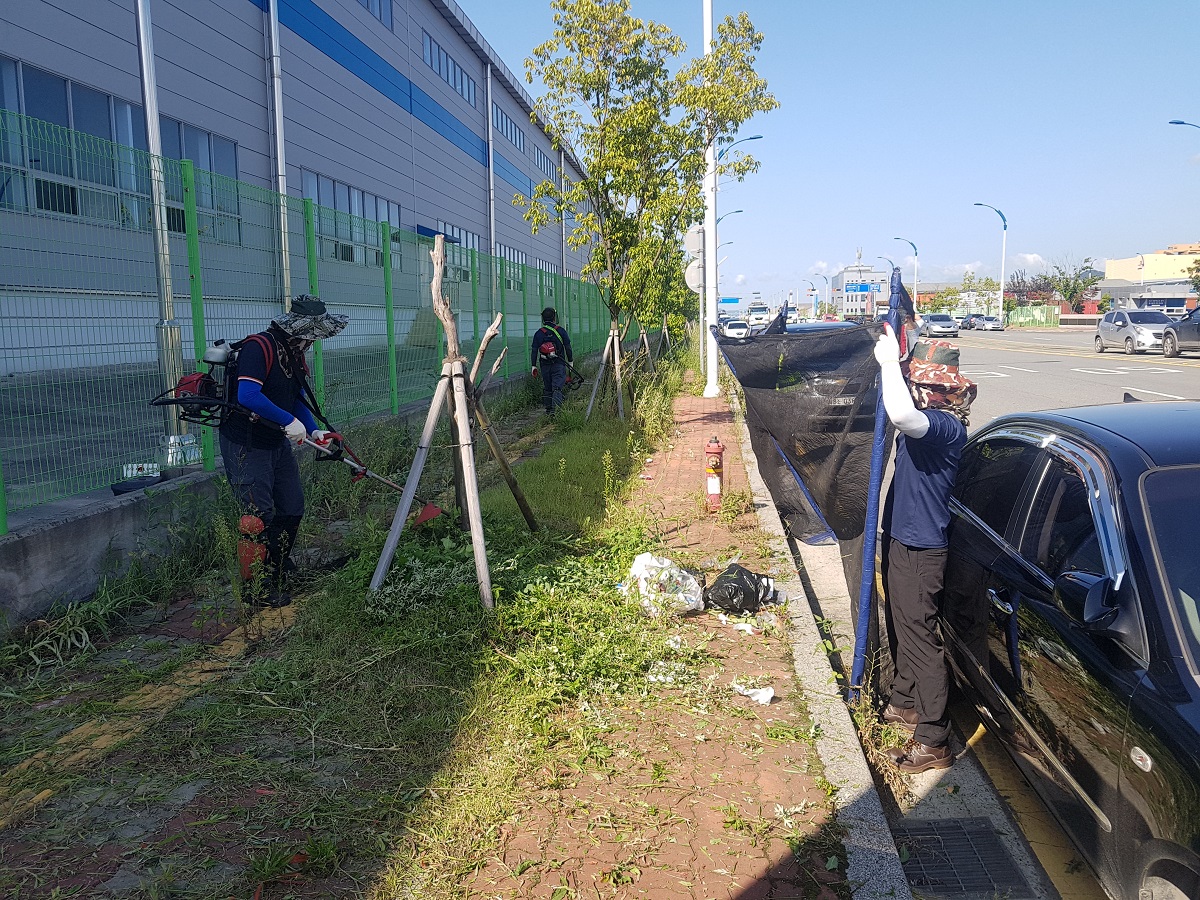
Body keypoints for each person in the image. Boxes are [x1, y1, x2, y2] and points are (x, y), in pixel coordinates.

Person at [872, 326, 977, 773]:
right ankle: (906, 702)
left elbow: (900, 415)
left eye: (918, 383)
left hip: (922, 550)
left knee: (920, 639)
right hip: (903, 540)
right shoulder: (928, 423)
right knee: (901, 624)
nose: (913, 388)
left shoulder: (945, 428)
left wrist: (885, 365)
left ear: (934, 390)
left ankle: (934, 739)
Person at [219, 295, 348, 607]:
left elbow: (297, 395)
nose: (315, 343)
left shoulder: (293, 353)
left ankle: (275, 567)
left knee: (292, 507)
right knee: (256, 518)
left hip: (276, 441)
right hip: (247, 444)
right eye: (314, 337)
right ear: (300, 332)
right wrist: (287, 420)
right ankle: (255, 589)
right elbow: (248, 394)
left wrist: (312, 427)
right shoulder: (258, 348)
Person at [530, 306, 573, 415]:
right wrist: (570, 361)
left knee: (548, 386)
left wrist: (533, 365)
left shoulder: (539, 333)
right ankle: (556, 411)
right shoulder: (560, 331)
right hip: (559, 363)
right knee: (557, 387)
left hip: (545, 365)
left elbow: (534, 350)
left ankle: (548, 409)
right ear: (554, 317)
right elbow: (568, 346)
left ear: (543, 319)